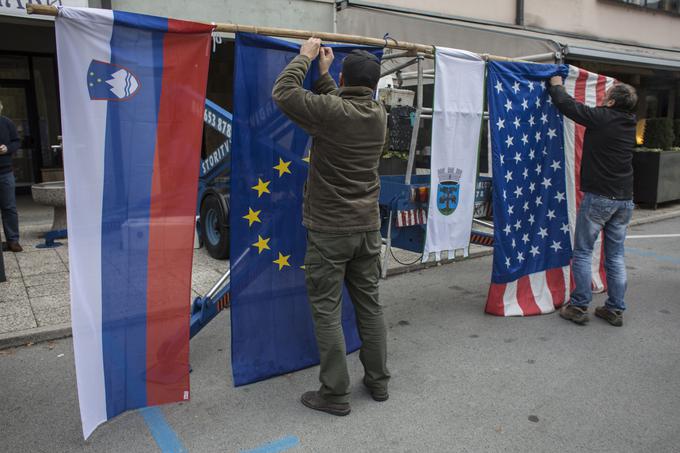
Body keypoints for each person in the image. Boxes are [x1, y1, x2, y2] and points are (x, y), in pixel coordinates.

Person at [272, 38, 390, 415]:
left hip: (330, 230)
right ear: (374, 86)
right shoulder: (380, 114)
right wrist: (325, 77)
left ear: (344, 77)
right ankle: (378, 382)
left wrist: (305, 58)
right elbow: (342, 108)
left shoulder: (332, 112)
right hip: (367, 228)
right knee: (369, 307)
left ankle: (335, 394)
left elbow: (284, 92)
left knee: (327, 310)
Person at [548, 76, 638, 327]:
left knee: (584, 252)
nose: (601, 97)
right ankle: (615, 308)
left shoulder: (602, 118)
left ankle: (578, 306)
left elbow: (568, 106)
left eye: (605, 94)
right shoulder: (629, 123)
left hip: (600, 198)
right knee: (616, 256)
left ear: (610, 101)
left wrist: (556, 84)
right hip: (624, 200)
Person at [0, 99, 22, 253]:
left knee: (9, 208)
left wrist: (7, 148)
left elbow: (16, 142)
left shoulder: (7, 123)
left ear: (1, 106)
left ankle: (13, 241)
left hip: (5, 172)